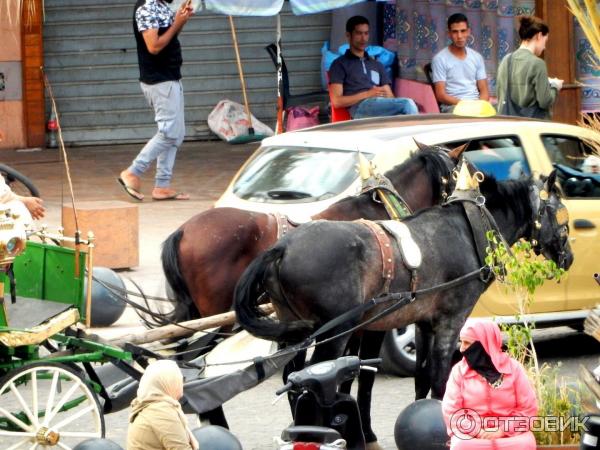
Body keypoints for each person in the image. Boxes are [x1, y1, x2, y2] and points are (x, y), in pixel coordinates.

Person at [118, 0, 193, 202]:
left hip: (170, 77)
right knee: (169, 132)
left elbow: (167, 37)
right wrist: (177, 23)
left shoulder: (160, 6)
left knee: (176, 134)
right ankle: (133, 171)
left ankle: (162, 186)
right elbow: (153, 46)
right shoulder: (146, 8)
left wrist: (181, 20)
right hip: (159, 80)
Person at [442, 319, 538, 450]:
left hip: (510, 436)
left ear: (484, 345)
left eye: (467, 343)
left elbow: (527, 409)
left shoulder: (514, 369)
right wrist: (477, 430)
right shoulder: (459, 371)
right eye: (461, 342)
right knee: (461, 445)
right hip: (473, 437)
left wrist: (502, 430)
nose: (461, 348)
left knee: (525, 444)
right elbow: (451, 411)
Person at [328, 15, 418, 119]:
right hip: (360, 108)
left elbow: (389, 95)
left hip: (380, 105)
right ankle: (416, 135)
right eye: (359, 33)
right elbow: (337, 101)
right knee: (407, 104)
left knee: (408, 106)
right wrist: (368, 94)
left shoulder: (376, 64)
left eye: (366, 33)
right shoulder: (339, 64)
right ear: (348, 35)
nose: (363, 38)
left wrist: (389, 100)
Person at [496, 16, 563, 119]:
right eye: (545, 41)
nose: (544, 47)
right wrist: (555, 86)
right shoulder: (538, 64)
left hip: (509, 125)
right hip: (532, 126)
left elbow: (501, 94)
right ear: (539, 36)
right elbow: (545, 102)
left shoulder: (506, 60)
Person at [127, 359, 199, 450]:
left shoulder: (151, 405)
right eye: (179, 379)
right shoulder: (161, 411)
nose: (182, 383)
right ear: (167, 383)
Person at [431, 13, 490, 112]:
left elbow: (484, 91)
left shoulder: (477, 57)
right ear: (449, 33)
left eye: (463, 31)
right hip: (453, 107)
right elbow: (440, 95)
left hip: (476, 105)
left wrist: (479, 105)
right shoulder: (440, 59)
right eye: (455, 32)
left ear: (468, 32)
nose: (459, 36)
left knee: (500, 111)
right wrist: (466, 105)